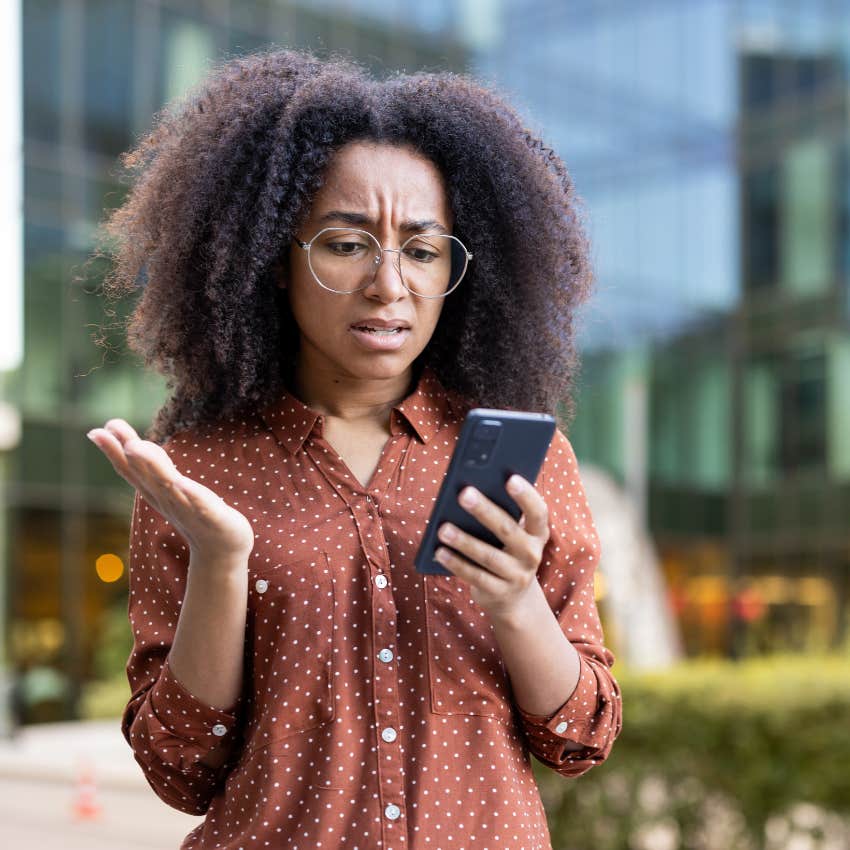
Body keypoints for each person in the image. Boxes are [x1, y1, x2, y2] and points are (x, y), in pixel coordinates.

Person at [87, 48, 622, 850]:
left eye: (421, 248)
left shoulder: (528, 464)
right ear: (274, 259)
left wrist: (516, 603)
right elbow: (181, 771)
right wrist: (219, 559)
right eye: (346, 244)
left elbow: (581, 736)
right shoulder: (199, 473)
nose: (389, 285)